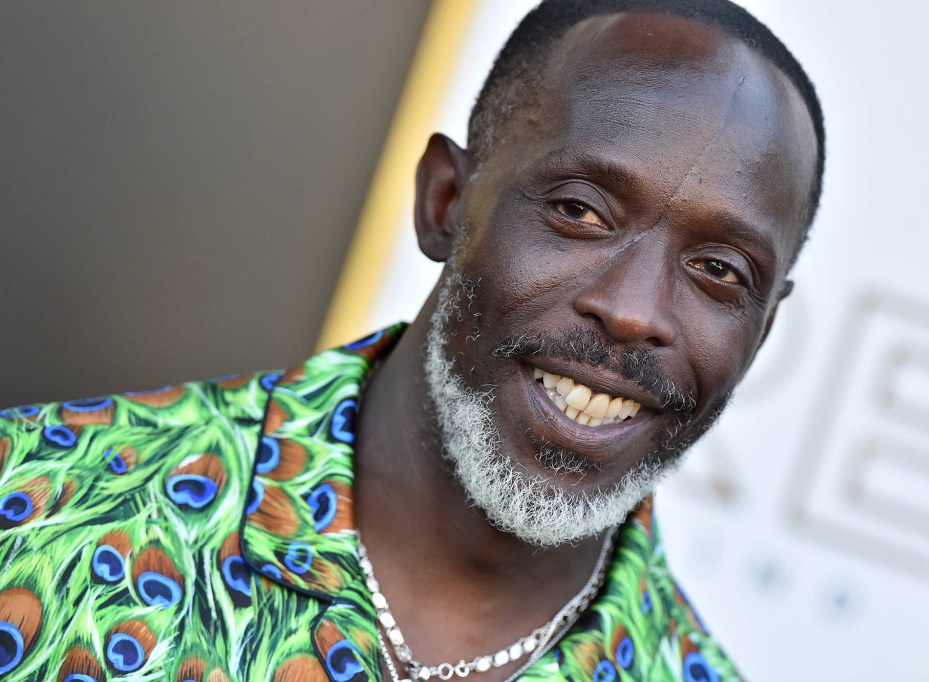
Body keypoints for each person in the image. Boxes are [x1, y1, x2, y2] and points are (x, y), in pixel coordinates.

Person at [0, 0, 824, 679]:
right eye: (580, 211)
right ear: (445, 202)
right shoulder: (37, 511)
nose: (635, 311)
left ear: (763, 329)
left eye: (720, 270)